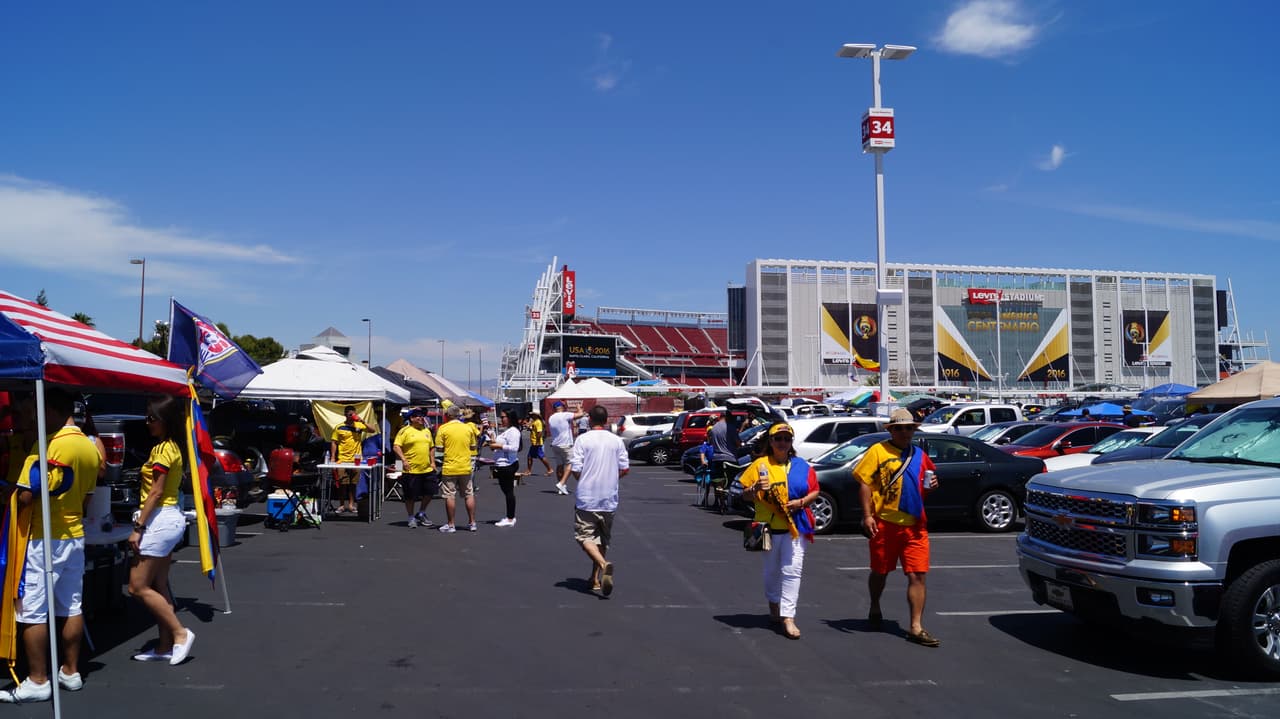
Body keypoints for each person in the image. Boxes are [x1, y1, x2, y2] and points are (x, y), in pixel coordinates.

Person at [1, 388, 99, 703]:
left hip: (43, 537)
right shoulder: (90, 447)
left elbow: (25, 496)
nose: (33, 416)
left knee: (32, 610)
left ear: (50, 410)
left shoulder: (46, 446)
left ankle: (37, 680)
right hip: (74, 534)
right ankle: (70, 671)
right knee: (71, 605)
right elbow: (87, 499)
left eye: (36, 409)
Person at [854, 407, 940, 648]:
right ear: (891, 430)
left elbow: (927, 483)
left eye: (909, 428)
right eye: (899, 428)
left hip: (915, 526)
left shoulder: (919, 455)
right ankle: (875, 605)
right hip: (885, 524)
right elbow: (864, 484)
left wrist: (932, 485)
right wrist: (867, 516)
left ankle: (916, 626)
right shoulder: (878, 451)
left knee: (917, 574)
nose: (905, 432)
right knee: (880, 571)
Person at [128, 395, 197, 665]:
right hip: (169, 518)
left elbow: (156, 491)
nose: (147, 423)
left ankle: (180, 633)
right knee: (159, 585)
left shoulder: (163, 450)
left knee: (136, 586)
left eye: (151, 418)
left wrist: (138, 527)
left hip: (159, 519)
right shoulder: (173, 447)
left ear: (165, 420)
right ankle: (165, 645)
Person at [740, 423, 819, 640]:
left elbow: (815, 491)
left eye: (787, 439)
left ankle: (788, 617)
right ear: (771, 441)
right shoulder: (760, 465)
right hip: (768, 529)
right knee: (771, 572)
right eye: (778, 438)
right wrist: (754, 489)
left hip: (795, 527)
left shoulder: (802, 466)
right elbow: (744, 494)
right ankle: (774, 603)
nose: (782, 442)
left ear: (791, 442)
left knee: (792, 571)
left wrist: (801, 502)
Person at [569, 406, 629, 596]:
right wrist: (611, 479)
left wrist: (584, 481)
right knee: (601, 540)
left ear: (590, 420)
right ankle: (594, 579)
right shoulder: (616, 441)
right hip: (609, 498)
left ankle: (603, 565)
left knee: (584, 537)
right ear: (606, 420)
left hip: (587, 498)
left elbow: (576, 468)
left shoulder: (583, 439)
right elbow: (625, 468)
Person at [435, 405, 478, 532]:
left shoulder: (443, 428)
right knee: (469, 494)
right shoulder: (467, 428)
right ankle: (472, 522)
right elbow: (473, 446)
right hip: (465, 465)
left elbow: (439, 448)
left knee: (450, 495)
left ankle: (451, 524)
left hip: (450, 466)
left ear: (447, 415)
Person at [393, 408, 437, 528]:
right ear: (411, 418)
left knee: (431, 491)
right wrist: (403, 460)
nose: (421, 418)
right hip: (411, 469)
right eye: (418, 416)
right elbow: (396, 446)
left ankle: (421, 512)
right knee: (410, 495)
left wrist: (433, 462)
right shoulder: (405, 431)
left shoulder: (426, 431)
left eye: (422, 416)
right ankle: (411, 517)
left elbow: (432, 447)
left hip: (427, 468)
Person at [330, 405, 370, 514]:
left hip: (356, 459)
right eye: (350, 414)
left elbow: (372, 430)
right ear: (345, 415)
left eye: (353, 413)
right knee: (342, 483)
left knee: (353, 483)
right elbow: (334, 442)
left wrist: (362, 421)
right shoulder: (339, 427)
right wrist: (333, 456)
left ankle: (351, 505)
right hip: (342, 459)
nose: (352, 416)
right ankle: (342, 505)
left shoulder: (359, 425)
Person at [489, 411, 522, 527]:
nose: (501, 419)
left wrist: (498, 446)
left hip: (507, 464)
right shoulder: (507, 431)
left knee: (508, 492)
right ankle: (510, 517)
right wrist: (493, 441)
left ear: (509, 417)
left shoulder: (513, 431)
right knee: (507, 491)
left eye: (503, 417)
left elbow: (514, 448)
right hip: (502, 464)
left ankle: (510, 518)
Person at [548, 400, 584, 496]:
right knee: (571, 463)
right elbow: (580, 414)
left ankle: (562, 486)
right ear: (562, 408)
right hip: (566, 444)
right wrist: (579, 408)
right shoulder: (565, 415)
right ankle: (562, 483)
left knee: (560, 465)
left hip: (555, 444)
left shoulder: (551, 417)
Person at [707, 411, 742, 481]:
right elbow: (738, 443)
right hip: (729, 458)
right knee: (732, 480)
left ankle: (719, 487)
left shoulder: (713, 428)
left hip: (717, 459)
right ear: (727, 417)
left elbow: (710, 442)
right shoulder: (730, 427)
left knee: (719, 480)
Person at [523, 411, 552, 478]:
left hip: (537, 443)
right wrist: (529, 428)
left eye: (533, 415)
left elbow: (539, 432)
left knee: (541, 457)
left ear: (536, 415)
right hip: (534, 442)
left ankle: (550, 469)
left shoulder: (538, 422)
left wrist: (537, 441)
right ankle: (529, 470)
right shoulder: (535, 421)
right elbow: (533, 430)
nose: (531, 416)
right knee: (530, 456)